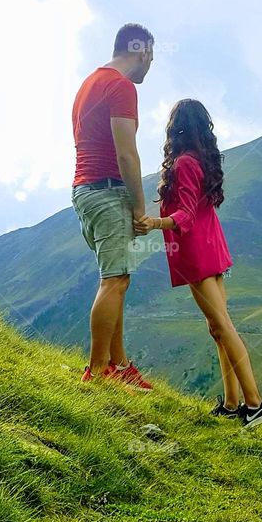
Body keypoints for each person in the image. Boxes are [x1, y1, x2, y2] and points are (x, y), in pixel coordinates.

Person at [134, 99, 262, 427]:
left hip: (195, 253)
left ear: (176, 126)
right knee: (218, 327)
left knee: (223, 326)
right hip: (211, 247)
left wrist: (153, 223)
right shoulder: (202, 160)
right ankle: (230, 403)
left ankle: (255, 405)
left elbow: (185, 215)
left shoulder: (183, 163)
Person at [71, 23, 154, 391]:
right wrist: (139, 207)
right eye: (151, 57)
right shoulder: (121, 87)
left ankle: (119, 365)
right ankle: (99, 371)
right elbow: (126, 152)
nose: (150, 66)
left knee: (116, 277)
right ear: (143, 52)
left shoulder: (89, 83)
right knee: (115, 280)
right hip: (107, 191)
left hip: (84, 189)